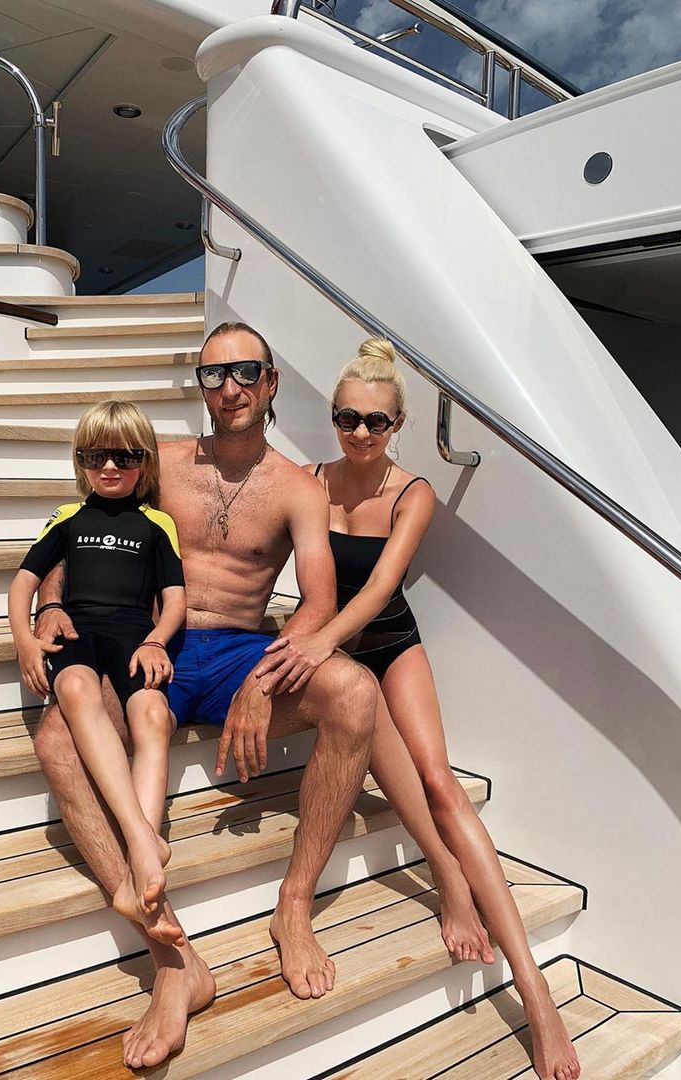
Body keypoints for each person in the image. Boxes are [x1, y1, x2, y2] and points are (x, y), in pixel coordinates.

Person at [28, 323, 486, 1070]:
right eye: (214, 375)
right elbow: (83, 528)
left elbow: (319, 602)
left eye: (246, 372)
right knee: (56, 740)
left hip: (239, 650)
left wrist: (261, 679)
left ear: (270, 382)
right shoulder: (161, 462)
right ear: (201, 387)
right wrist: (50, 602)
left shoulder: (297, 488)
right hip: (151, 647)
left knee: (353, 690)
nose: (230, 388)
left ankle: (294, 906)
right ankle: (172, 959)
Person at [257, 337, 581, 1080]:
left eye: (376, 421)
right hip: (338, 660)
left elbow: (379, 591)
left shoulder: (414, 493)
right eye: (347, 418)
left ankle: (535, 995)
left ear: (398, 423)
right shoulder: (307, 481)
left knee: (440, 783)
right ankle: (449, 880)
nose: (360, 432)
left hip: (389, 641)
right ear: (332, 417)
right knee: (369, 720)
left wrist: (318, 642)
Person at [8, 400, 186, 945]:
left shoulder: (157, 523)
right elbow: (23, 584)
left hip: (134, 634)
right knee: (76, 686)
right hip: (78, 631)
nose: (109, 467)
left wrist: (157, 640)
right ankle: (143, 840)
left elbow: (175, 599)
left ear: (144, 462)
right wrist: (25, 641)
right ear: (80, 461)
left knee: (151, 714)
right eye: (95, 456)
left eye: (124, 457)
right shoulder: (67, 518)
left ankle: (138, 859)